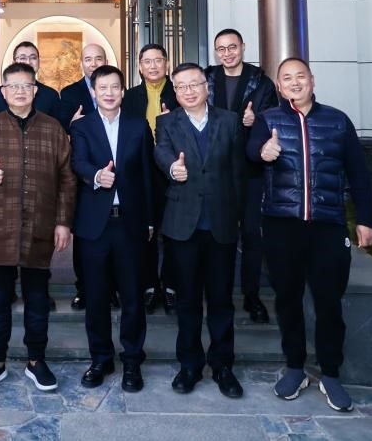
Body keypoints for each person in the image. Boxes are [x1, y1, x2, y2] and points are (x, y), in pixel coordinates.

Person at [248, 57, 372, 413]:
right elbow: (250, 152)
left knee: (328, 302)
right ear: (278, 86)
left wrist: (366, 219)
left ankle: (331, 373)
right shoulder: (268, 120)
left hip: (327, 225)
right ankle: (295, 367)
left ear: (312, 80)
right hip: (281, 224)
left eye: (300, 76)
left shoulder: (337, 121)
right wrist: (263, 150)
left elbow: (359, 173)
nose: (294, 82)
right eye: (287, 78)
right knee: (287, 300)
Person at [0, 62, 76, 395]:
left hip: (40, 224)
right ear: (3, 91)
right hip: (0, 224)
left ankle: (36, 361)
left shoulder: (53, 129)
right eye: (13, 86)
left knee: (37, 299)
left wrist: (63, 221)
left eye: (26, 86)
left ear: (35, 90)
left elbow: (67, 179)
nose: (20, 92)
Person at [155, 62, 247, 399]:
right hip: (183, 226)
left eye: (194, 84)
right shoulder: (166, 122)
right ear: (175, 91)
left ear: (206, 87)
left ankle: (223, 366)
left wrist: (238, 217)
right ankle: (190, 365)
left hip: (221, 224)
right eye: (181, 86)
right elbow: (161, 152)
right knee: (188, 300)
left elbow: (238, 172)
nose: (189, 91)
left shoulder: (230, 121)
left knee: (221, 299)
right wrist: (172, 168)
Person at [70, 64, 153, 393]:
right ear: (94, 92)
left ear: (122, 91)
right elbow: (77, 162)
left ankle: (132, 360)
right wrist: (96, 176)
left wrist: (149, 220)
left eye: (114, 87)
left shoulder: (138, 125)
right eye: (102, 87)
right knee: (96, 296)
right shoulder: (82, 126)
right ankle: (101, 358)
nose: (108, 93)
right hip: (94, 225)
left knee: (132, 296)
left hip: (130, 223)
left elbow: (147, 175)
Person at [203, 28, 278, 324]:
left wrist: (255, 120)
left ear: (243, 47)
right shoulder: (207, 78)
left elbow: (273, 121)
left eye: (232, 47)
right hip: (216, 168)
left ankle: (251, 294)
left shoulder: (261, 81)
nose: (227, 53)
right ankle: (216, 292)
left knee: (251, 234)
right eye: (221, 49)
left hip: (250, 170)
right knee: (215, 233)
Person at [123, 43, 178, 314]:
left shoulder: (180, 92)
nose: (153, 66)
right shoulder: (129, 97)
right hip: (141, 171)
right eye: (147, 61)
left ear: (167, 64)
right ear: (140, 66)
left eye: (158, 60)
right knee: (145, 230)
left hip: (175, 171)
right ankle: (148, 286)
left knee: (174, 232)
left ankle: (171, 286)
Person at [59, 43, 108, 310]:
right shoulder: (69, 93)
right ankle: (83, 288)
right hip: (82, 172)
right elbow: (62, 131)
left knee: (111, 234)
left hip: (112, 170)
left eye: (98, 58)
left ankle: (110, 288)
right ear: (81, 63)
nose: (93, 63)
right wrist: (71, 125)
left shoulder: (115, 88)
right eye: (88, 59)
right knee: (84, 234)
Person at [0, 41, 62, 120]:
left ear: (39, 62)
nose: (28, 62)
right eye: (23, 58)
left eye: (33, 58)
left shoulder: (51, 95)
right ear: (14, 62)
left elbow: (58, 126)